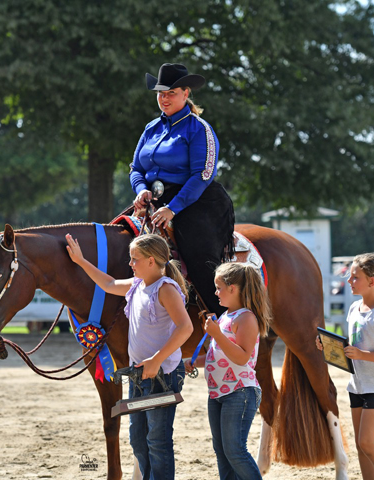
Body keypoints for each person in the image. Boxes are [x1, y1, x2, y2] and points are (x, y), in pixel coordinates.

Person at [65, 233, 193, 480]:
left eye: (135, 259)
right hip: (139, 376)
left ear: (152, 261)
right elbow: (109, 284)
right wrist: (81, 261)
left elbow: (185, 327)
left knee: (157, 440)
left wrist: (156, 360)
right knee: (138, 439)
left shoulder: (165, 289)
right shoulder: (137, 285)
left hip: (162, 376)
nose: (131, 264)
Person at [130, 63, 235, 317]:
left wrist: (172, 208)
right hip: (154, 203)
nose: (164, 99)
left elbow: (203, 174)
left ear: (186, 93)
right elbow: (135, 167)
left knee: (199, 257)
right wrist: (141, 189)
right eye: (160, 93)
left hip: (195, 203)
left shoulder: (200, 129)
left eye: (171, 93)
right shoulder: (150, 128)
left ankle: (223, 320)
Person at [317, 253, 374, 480]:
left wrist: (362, 354)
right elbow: (354, 345)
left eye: (355, 277)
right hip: (358, 385)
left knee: (367, 442)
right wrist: (328, 346)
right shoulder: (355, 308)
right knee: (360, 445)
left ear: (372, 282)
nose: (348, 281)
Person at [184, 263, 272, 480]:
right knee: (222, 451)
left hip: (239, 392)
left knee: (235, 451)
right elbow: (219, 356)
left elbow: (242, 357)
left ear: (233, 288)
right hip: (218, 393)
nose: (215, 292)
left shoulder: (246, 318)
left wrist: (217, 334)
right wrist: (194, 361)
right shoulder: (225, 317)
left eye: (219, 287)